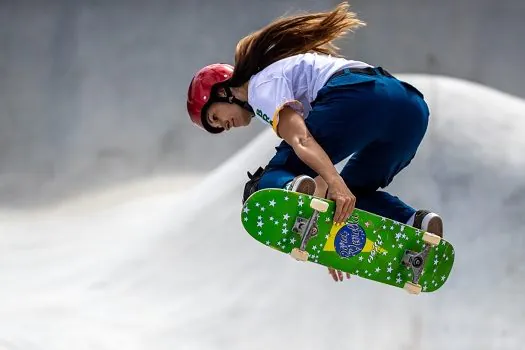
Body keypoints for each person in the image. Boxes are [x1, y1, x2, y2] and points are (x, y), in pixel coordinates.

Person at [186, 2, 443, 282]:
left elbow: (302, 138)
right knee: (354, 194)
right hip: (410, 110)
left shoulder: (259, 87)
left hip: (359, 95)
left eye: (214, 117)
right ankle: (416, 225)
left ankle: (290, 189)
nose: (223, 126)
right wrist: (331, 243)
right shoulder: (277, 76)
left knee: (266, 182)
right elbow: (321, 167)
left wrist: (332, 181)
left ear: (223, 91)